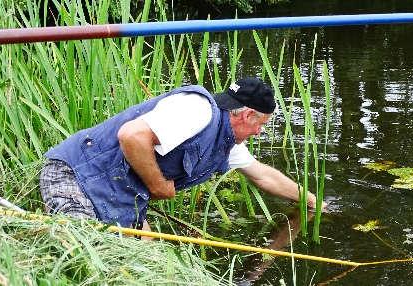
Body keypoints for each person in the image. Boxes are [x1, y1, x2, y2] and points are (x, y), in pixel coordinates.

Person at [39, 77, 320, 230]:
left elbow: (263, 176)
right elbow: (132, 136)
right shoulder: (197, 111)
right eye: (261, 125)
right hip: (74, 177)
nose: (259, 133)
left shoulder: (225, 143)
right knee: (88, 253)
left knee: (149, 264)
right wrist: (159, 186)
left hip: (118, 197)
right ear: (247, 115)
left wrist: (311, 201)